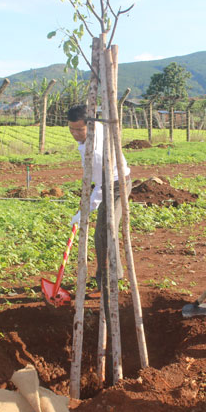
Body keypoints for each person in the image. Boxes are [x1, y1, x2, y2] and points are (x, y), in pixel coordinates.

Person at [67, 104, 132, 302]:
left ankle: (107, 285)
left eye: (79, 129)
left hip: (115, 185)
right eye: (71, 129)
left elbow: (102, 186)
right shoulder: (97, 127)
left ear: (90, 126)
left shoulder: (95, 152)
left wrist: (85, 211)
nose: (75, 133)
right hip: (105, 182)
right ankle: (112, 276)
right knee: (104, 234)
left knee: (104, 234)